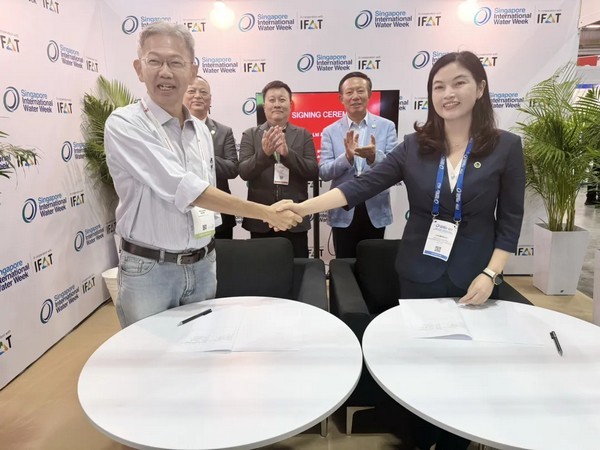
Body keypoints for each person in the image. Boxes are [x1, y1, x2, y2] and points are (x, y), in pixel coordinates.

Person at [279, 51, 525, 449]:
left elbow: (511, 219)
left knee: (466, 367)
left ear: (480, 88)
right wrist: (302, 208)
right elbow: (362, 185)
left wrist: (491, 273)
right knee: (423, 364)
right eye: (438, 86)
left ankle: (455, 441)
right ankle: (419, 437)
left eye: (459, 83)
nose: (448, 93)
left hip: (475, 276)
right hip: (419, 273)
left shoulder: (506, 147)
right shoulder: (414, 146)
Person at [104, 22, 300, 328]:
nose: (165, 72)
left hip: (203, 264)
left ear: (192, 70)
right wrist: (265, 213)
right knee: (151, 354)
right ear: (139, 69)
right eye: (154, 61)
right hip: (150, 270)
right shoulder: (125, 124)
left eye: (176, 62)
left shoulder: (200, 131)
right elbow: (188, 189)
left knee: (202, 347)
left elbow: (206, 194)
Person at [319, 71, 398, 258]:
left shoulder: (386, 126)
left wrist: (374, 157)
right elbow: (324, 172)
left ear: (369, 95)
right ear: (341, 98)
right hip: (343, 207)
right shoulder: (330, 131)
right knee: (344, 265)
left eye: (360, 91)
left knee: (373, 265)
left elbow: (395, 168)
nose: (355, 96)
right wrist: (346, 158)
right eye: (349, 92)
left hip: (375, 207)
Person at [238, 80, 318, 257]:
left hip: (294, 217)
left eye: (282, 100)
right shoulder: (250, 134)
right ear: (264, 105)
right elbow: (243, 171)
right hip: (261, 219)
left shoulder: (303, 134)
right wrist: (264, 154)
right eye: (272, 100)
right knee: (262, 269)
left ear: (290, 105)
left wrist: (287, 154)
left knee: (297, 268)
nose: (277, 104)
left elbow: (313, 171)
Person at [183, 76, 239, 238]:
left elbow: (232, 168)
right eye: (192, 91)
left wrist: (204, 156)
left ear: (210, 99)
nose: (197, 96)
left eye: (203, 92)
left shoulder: (224, 131)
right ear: (182, 96)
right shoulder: (172, 131)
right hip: (185, 211)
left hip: (219, 210)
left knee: (223, 254)